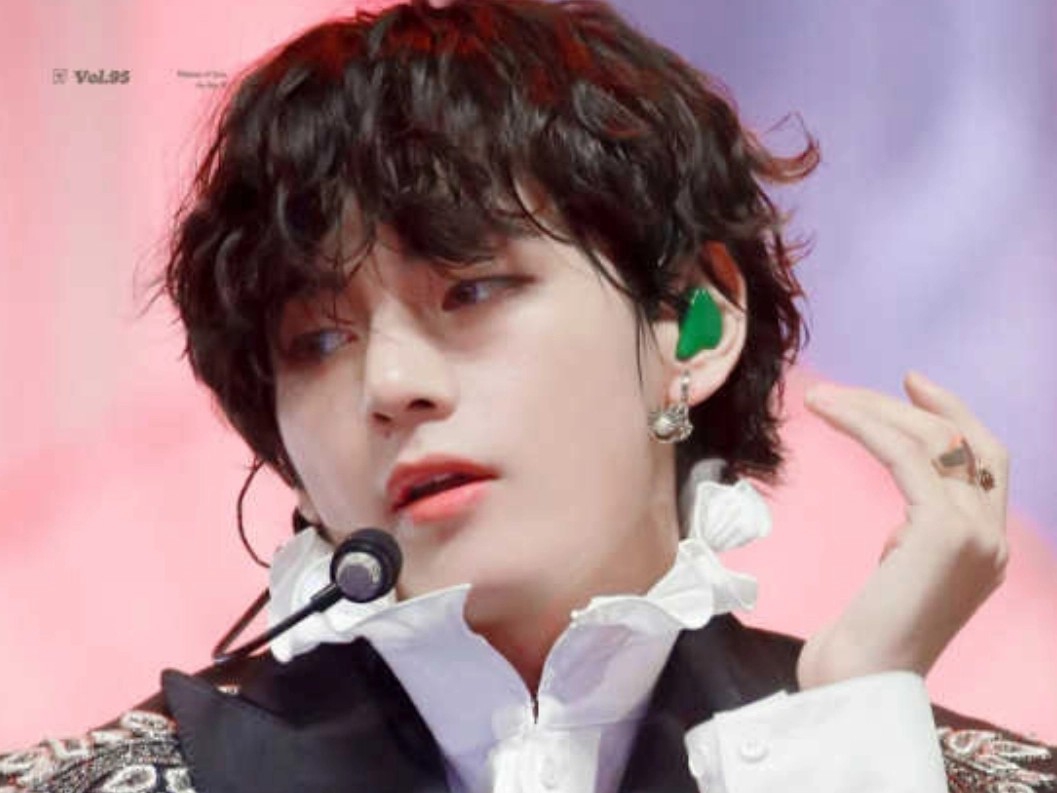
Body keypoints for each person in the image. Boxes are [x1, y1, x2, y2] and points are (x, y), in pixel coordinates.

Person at [1, 1, 1053, 791]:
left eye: (470, 289)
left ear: (691, 321)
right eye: (316, 340)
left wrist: (852, 723)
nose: (391, 387)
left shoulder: (932, 769)